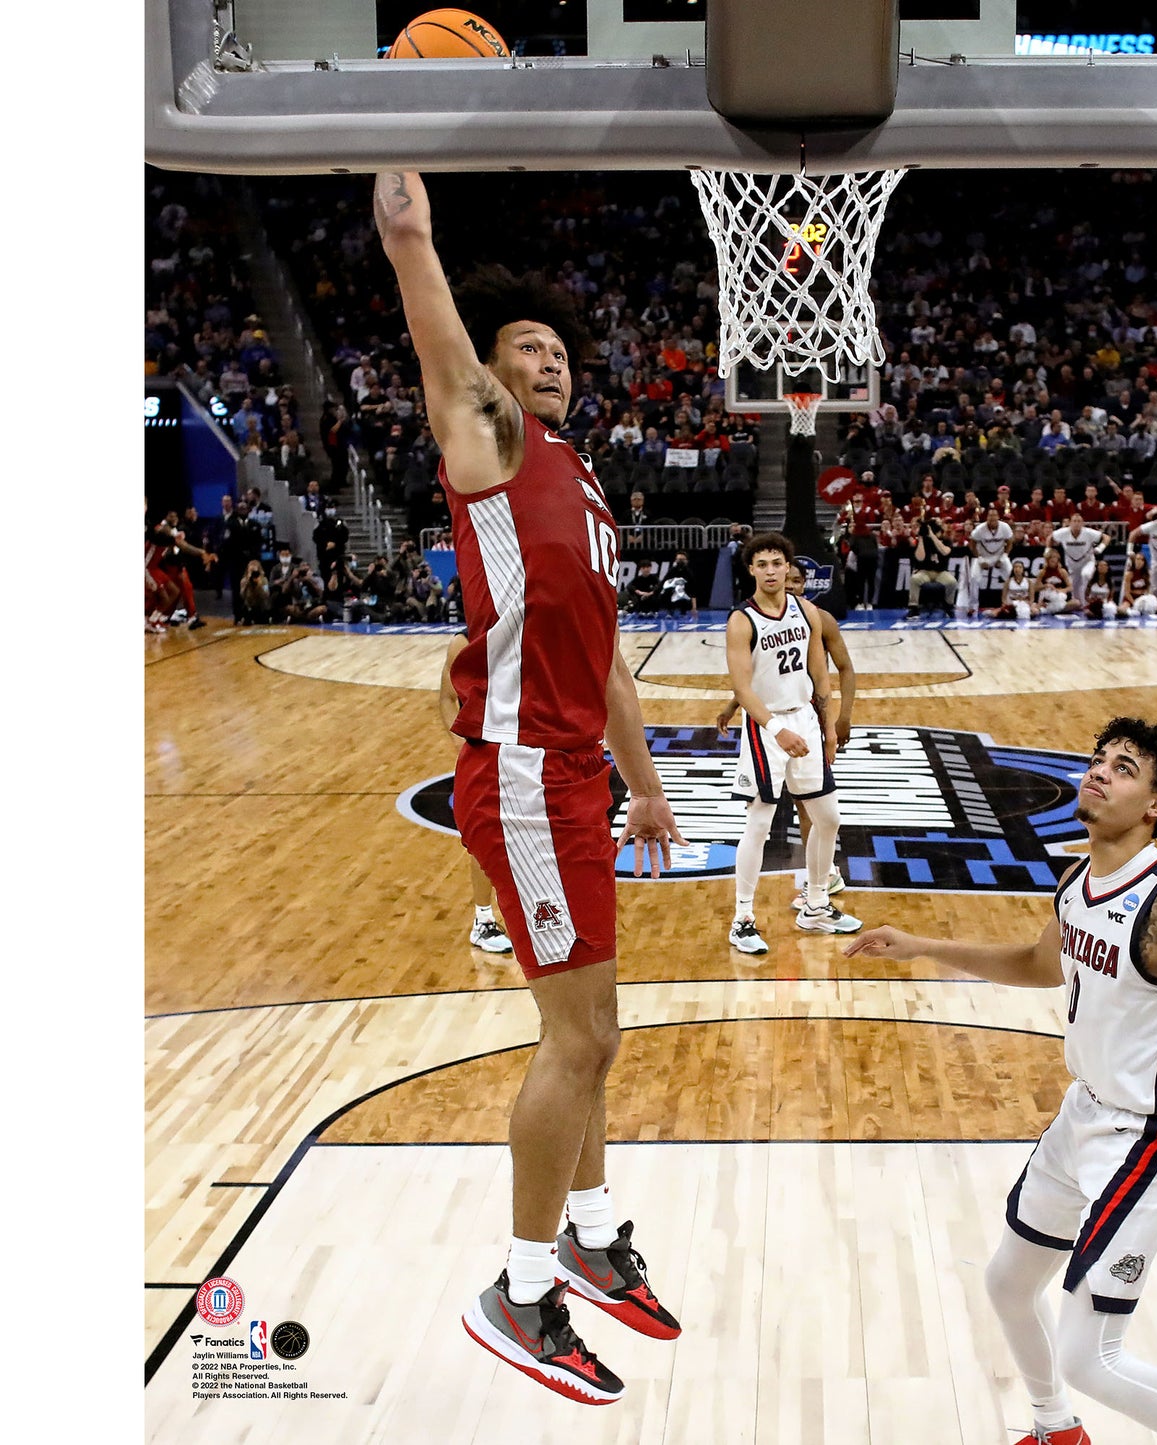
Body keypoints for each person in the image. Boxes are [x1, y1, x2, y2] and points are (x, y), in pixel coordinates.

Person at [375, 166, 686, 1405]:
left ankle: (593, 1232)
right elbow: (448, 361)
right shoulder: (492, 442)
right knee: (585, 1035)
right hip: (516, 769)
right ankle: (518, 1286)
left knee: (589, 1034)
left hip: (571, 771)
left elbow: (602, 645)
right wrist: (412, 242)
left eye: (559, 347)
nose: (547, 359)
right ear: (494, 374)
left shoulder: (580, 476)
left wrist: (647, 780)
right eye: (525, 346)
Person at [845, 717, 1157, 1445]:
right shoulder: (1077, 879)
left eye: (1122, 767)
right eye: (1098, 759)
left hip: (1153, 1134)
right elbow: (1038, 964)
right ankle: (1057, 1431)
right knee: (1007, 1284)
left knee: (1093, 1356)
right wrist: (919, 944)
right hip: (1082, 1113)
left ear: (1156, 805)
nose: (1098, 771)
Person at [722, 531, 860, 954]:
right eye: (761, 564)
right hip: (767, 725)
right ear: (751, 570)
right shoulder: (741, 620)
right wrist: (775, 729)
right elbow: (743, 689)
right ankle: (743, 918)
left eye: (776, 563)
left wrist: (829, 727)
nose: (769, 570)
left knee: (828, 817)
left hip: (804, 718)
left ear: (788, 568)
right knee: (760, 823)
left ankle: (816, 904)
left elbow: (820, 674)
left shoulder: (807, 612)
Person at [439, 631, 514, 954]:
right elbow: (446, 697)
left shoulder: (534, 625)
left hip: (532, 746)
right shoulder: (464, 640)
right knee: (485, 838)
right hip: (486, 751)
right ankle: (483, 921)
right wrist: (460, 743)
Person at [907, 511, 959, 617]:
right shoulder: (924, 541)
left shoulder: (946, 541)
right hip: (925, 571)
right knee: (914, 579)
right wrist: (921, 538)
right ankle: (913, 607)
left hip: (940, 572)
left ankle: (949, 605)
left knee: (952, 582)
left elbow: (945, 551)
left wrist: (932, 536)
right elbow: (920, 558)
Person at [1050, 515, 1108, 608]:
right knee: (1074, 587)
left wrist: (1100, 548)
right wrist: (1047, 549)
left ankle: (1086, 603)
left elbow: (1106, 537)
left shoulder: (1089, 532)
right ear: (1070, 523)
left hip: (1088, 561)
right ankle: (1079, 605)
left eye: (1079, 521)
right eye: (1074, 521)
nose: (1076, 523)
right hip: (1072, 564)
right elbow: (1050, 537)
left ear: (1082, 523)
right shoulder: (1063, 532)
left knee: (1086, 575)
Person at [968, 504, 1014, 614]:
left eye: (994, 515)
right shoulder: (980, 529)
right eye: (990, 516)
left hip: (999, 556)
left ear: (998, 517)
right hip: (983, 557)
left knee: (1011, 574)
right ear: (987, 517)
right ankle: (973, 607)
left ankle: (1010, 603)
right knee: (974, 578)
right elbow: (972, 543)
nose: (992, 518)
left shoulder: (1005, 527)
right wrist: (979, 558)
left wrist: (1004, 556)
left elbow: (1010, 542)